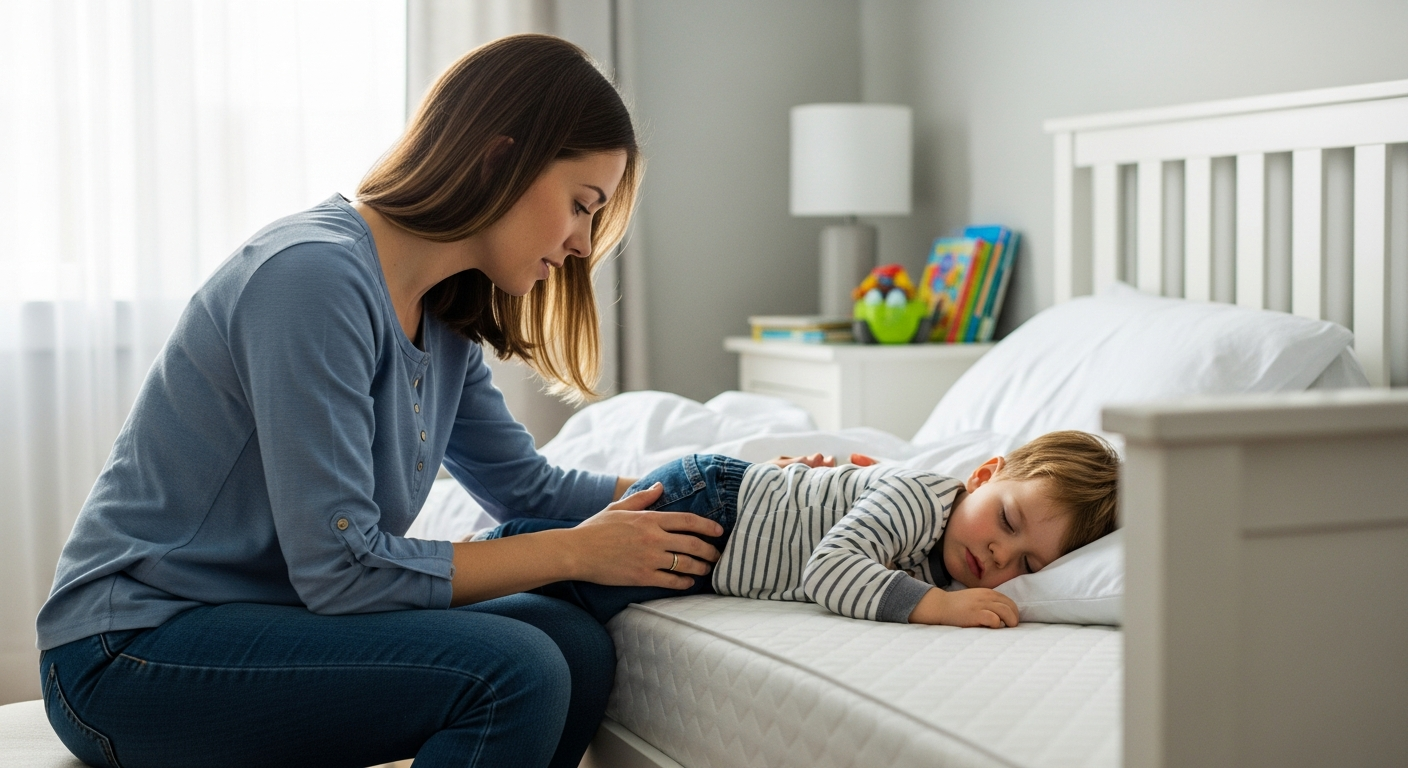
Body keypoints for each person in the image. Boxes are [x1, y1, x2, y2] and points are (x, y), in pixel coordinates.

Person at [35, 34, 769, 768]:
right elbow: (343, 570)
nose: (582, 244)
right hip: (128, 651)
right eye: (581, 206)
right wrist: (577, 550)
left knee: (572, 643)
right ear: (499, 157)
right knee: (515, 668)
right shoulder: (311, 279)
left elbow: (528, 486)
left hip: (259, 618)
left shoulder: (442, 314)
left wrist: (726, 491)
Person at [479, 430, 1121, 629]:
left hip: (718, 554)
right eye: (1006, 521)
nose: (998, 553)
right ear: (982, 476)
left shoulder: (947, 550)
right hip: (714, 507)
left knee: (591, 588)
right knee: (583, 586)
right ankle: (503, 549)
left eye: (1030, 565)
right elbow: (829, 570)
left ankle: (520, 541)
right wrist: (938, 607)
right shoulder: (922, 500)